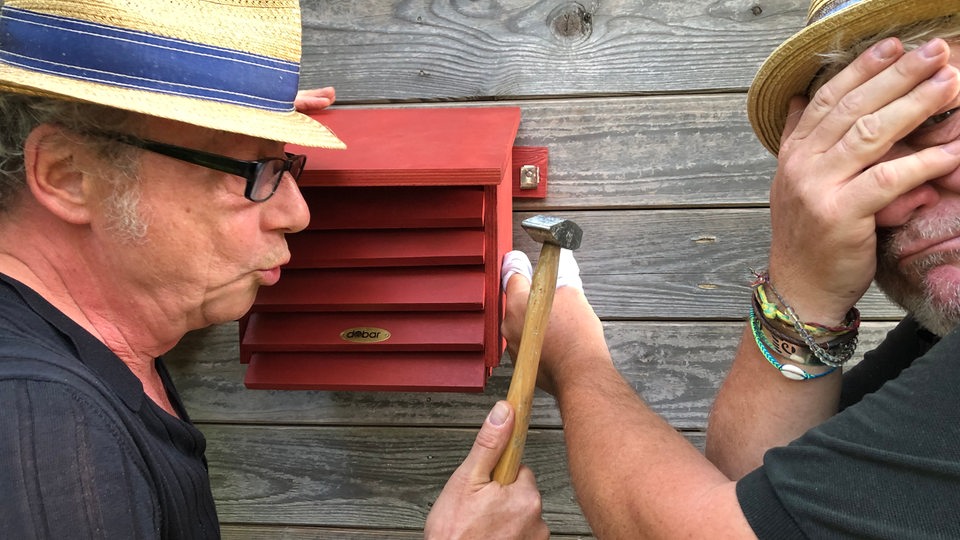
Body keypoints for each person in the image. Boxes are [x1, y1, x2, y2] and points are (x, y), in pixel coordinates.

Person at [0, 1, 546, 538]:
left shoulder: (85, 345)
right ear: (68, 175)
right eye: (255, 170)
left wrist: (245, 125)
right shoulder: (43, 423)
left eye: (288, 164)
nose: (298, 212)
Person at [500, 0, 960, 538]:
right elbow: (756, 484)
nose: (889, 196)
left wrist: (573, 359)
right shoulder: (932, 348)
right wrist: (803, 285)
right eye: (852, 164)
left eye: (937, 118)